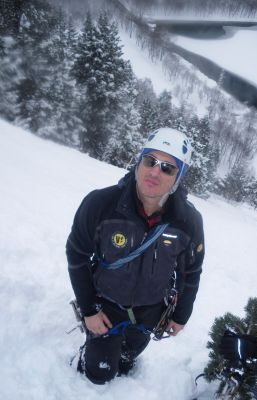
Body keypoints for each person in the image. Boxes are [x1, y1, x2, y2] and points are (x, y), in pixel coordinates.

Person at [66, 127, 205, 384]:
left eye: (168, 168)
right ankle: (90, 356)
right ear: (139, 160)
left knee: (128, 359)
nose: (155, 171)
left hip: (151, 312)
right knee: (99, 374)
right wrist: (89, 310)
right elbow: (77, 254)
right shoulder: (100, 204)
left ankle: (125, 355)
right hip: (106, 307)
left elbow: (190, 272)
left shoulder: (188, 222)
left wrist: (181, 315)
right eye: (150, 161)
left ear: (179, 177)